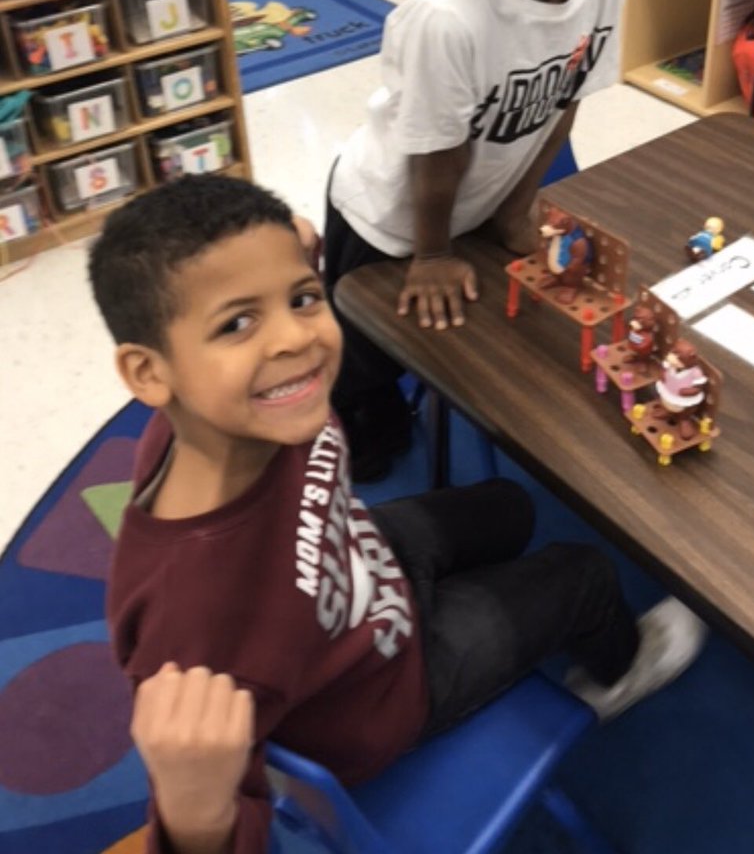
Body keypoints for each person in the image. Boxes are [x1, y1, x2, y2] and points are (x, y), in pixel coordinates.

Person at [89, 174, 707, 854]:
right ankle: (617, 675)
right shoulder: (194, 622)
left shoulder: (242, 407)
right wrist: (194, 820)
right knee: (585, 573)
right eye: (237, 322)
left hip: (356, 571)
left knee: (509, 507)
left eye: (301, 298)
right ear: (150, 375)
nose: (294, 339)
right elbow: (229, 817)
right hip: (379, 698)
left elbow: (257, 291)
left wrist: (273, 261)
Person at [324, 0, 629, 480]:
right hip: (390, 217)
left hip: (475, 198)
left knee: (471, 345)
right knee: (362, 362)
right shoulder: (448, 21)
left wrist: (514, 205)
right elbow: (435, 156)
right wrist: (431, 252)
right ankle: (357, 435)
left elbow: (567, 94)